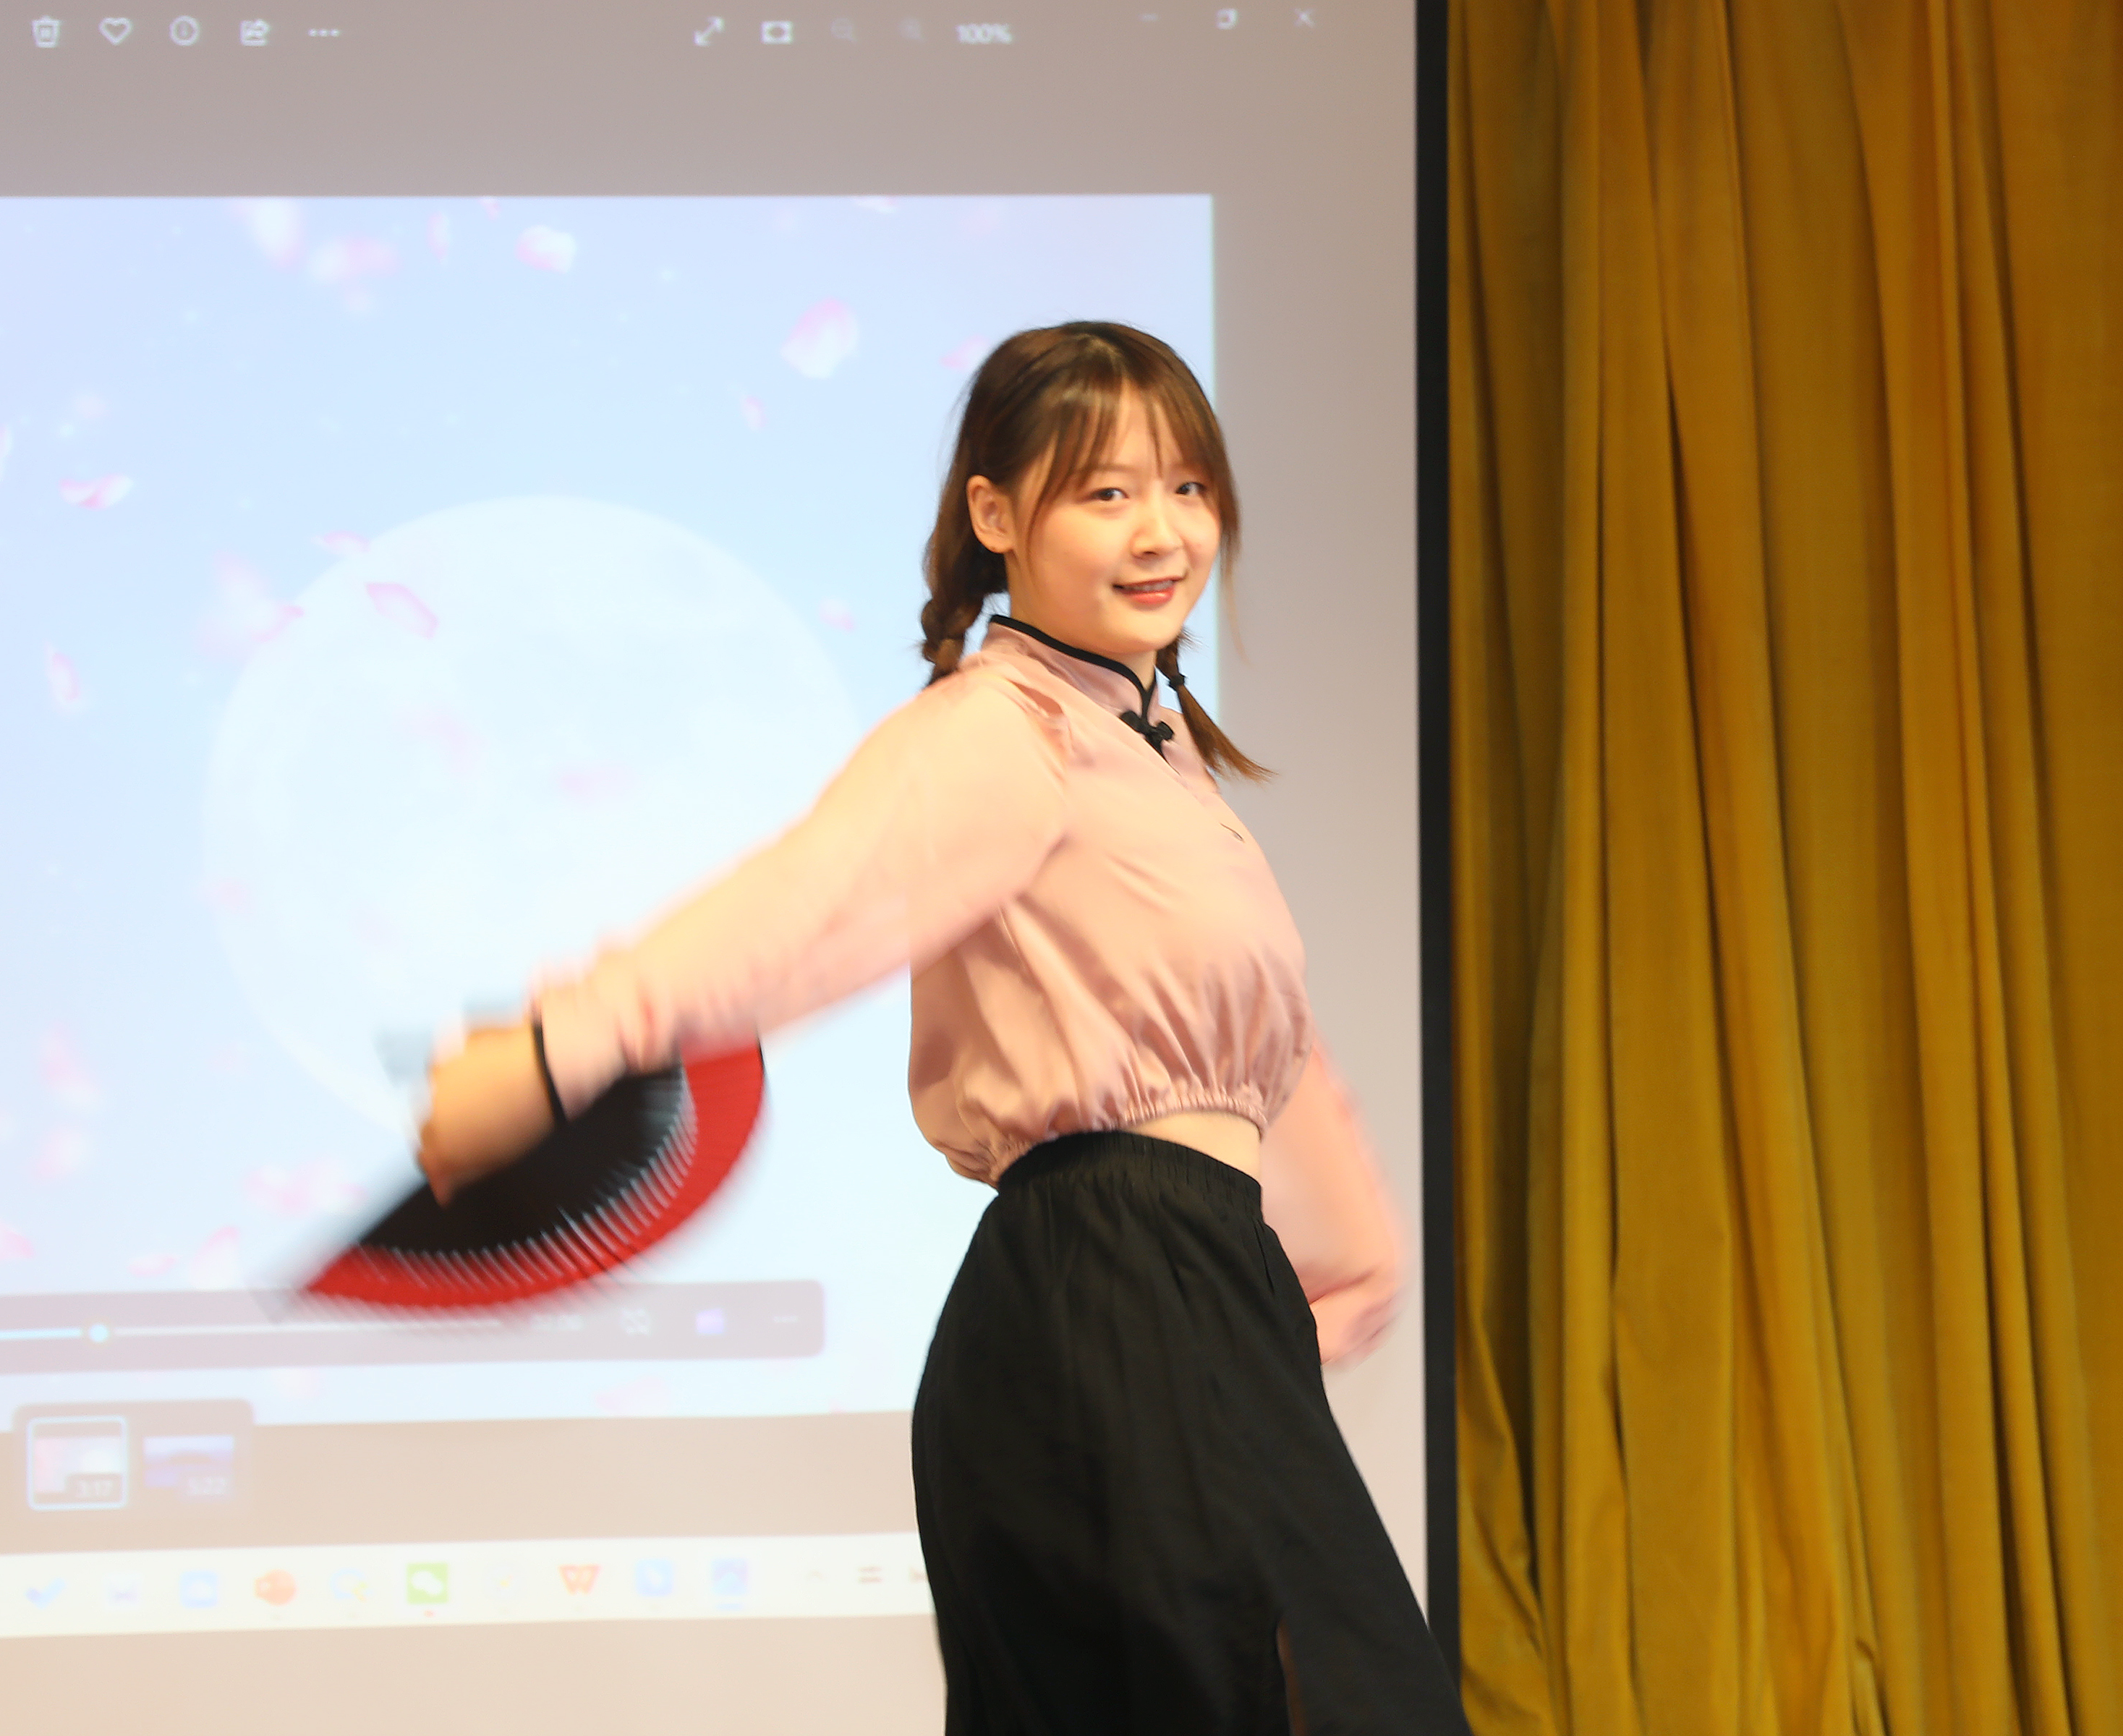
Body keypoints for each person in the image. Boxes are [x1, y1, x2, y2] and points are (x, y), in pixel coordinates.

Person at [412, 322, 1470, 1733]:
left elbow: (1274, 1063)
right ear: (996, 513)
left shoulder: (1155, 759)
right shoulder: (1004, 727)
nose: (1162, 531)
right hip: (1112, 1283)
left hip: (1198, 1286)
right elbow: (804, 906)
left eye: (1189, 488)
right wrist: (558, 1053)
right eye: (1106, 492)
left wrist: (1333, 1277)